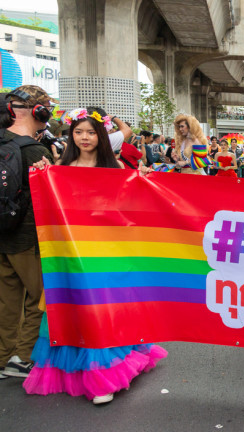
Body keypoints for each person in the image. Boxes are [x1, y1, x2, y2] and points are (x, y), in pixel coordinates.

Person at [25, 108, 163, 404]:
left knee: (100, 308)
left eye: (90, 132)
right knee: (70, 306)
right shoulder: (60, 166)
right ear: (71, 135)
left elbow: (130, 205)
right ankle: (75, 373)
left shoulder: (113, 166)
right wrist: (41, 172)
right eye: (78, 132)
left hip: (104, 254)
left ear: (100, 136)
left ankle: (104, 376)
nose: (84, 137)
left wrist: (142, 178)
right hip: (69, 254)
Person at [0, 85, 53, 381]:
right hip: (28, 240)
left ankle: (3, 356)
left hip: (1, 236)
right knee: (37, 298)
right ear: (39, 111)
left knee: (6, 301)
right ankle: (21, 357)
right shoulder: (34, 150)